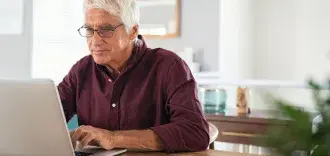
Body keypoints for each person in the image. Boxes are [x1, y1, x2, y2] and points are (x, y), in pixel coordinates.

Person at [57, 0, 210, 153]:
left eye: (106, 29)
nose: (95, 41)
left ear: (133, 31)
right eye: (89, 30)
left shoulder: (169, 66)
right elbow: (48, 116)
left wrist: (113, 138)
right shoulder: (81, 70)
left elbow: (195, 133)